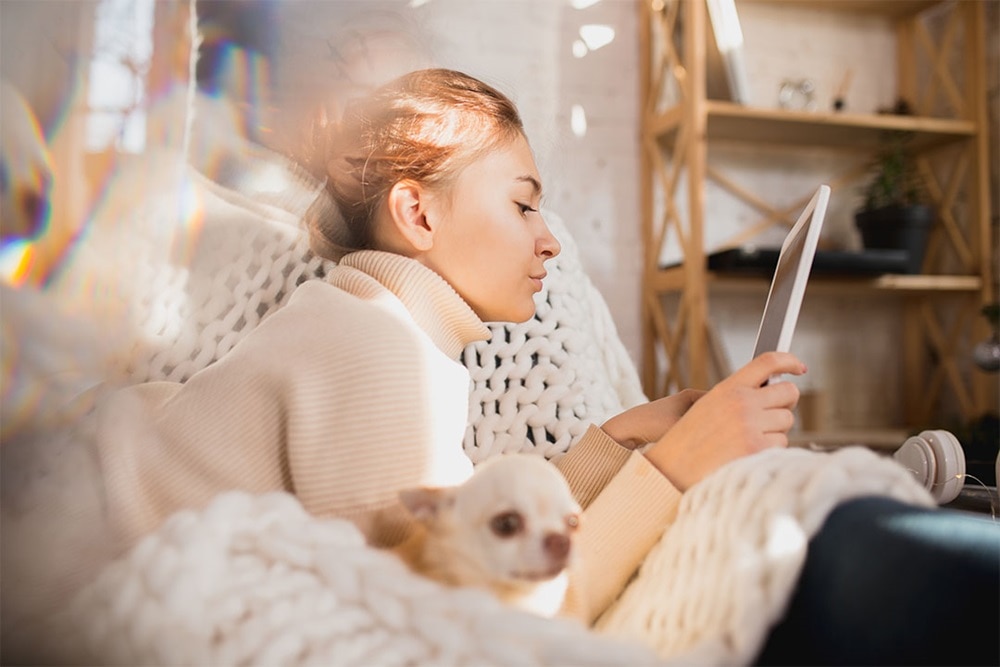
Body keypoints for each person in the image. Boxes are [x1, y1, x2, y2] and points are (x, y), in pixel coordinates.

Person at [10, 68, 996, 664]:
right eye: (522, 204)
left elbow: (441, 524)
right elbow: (457, 611)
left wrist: (614, 444)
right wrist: (676, 467)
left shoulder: (384, 333)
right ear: (420, 214)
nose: (549, 241)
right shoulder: (376, 347)